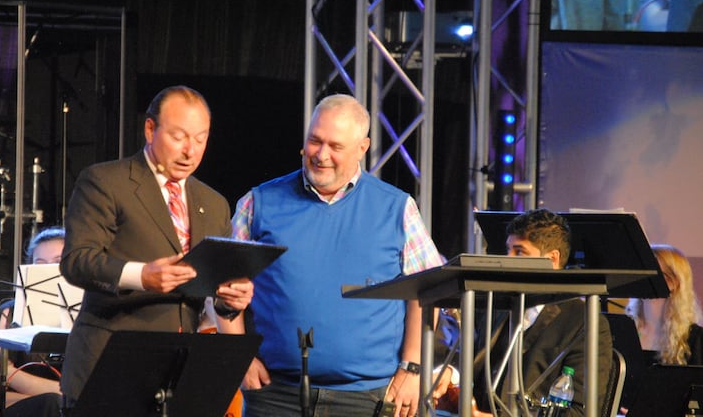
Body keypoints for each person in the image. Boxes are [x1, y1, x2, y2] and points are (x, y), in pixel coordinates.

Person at [217, 93, 444, 417]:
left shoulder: (396, 208)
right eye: (315, 141)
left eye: (335, 146)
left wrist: (412, 367)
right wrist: (237, 358)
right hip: (275, 395)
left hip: (369, 397)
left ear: (362, 148)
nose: (321, 155)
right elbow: (223, 284)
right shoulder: (259, 203)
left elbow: (428, 290)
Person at [58, 85, 254, 411]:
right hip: (108, 368)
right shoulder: (106, 181)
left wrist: (227, 300)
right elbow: (77, 260)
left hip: (176, 374)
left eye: (200, 139)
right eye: (179, 137)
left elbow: (210, 289)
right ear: (150, 129)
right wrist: (141, 276)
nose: (190, 151)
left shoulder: (213, 203)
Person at [435, 209, 613, 417]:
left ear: (552, 259)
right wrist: (450, 374)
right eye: (508, 251)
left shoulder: (584, 323)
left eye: (519, 252)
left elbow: (580, 412)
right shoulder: (496, 306)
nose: (508, 260)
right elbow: (467, 356)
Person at [0, 227, 65, 417]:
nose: (48, 271)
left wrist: (10, 373)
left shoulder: (87, 317)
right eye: (40, 264)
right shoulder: (9, 314)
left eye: (58, 262)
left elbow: (75, 393)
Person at [625, 244, 703, 365]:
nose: (641, 279)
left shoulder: (696, 340)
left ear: (674, 282)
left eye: (651, 273)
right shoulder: (625, 330)